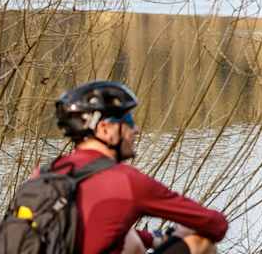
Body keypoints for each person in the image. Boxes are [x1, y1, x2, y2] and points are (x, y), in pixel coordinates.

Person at [50, 80, 228, 254]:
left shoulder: (47, 173)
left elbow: (85, 231)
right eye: (128, 120)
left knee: (128, 237)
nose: (136, 129)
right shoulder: (125, 181)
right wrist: (184, 230)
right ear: (105, 129)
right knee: (201, 241)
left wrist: (151, 239)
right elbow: (216, 225)